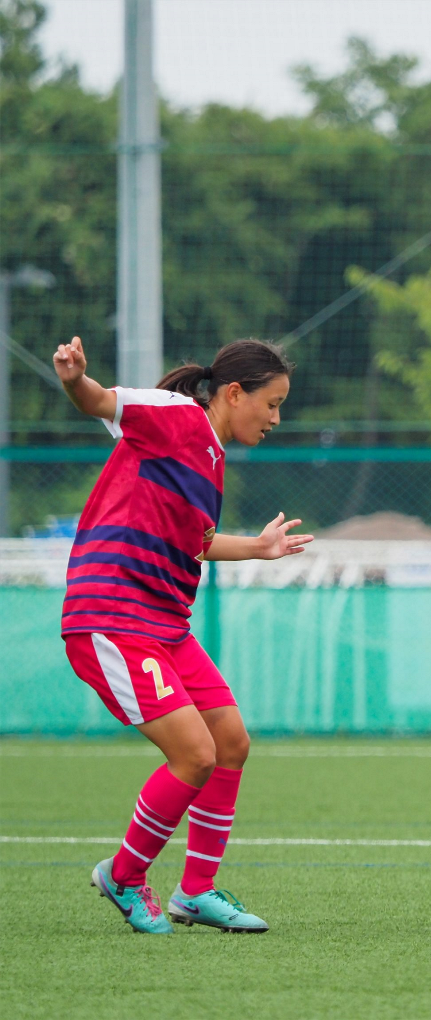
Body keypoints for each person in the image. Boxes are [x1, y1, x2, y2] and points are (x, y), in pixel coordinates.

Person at [53, 336, 312, 934]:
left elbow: (194, 542)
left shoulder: (212, 458)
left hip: (165, 625)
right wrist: (73, 379)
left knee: (231, 743)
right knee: (194, 755)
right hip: (113, 617)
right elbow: (99, 402)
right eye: (271, 404)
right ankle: (123, 874)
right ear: (233, 393)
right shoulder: (176, 418)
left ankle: (195, 892)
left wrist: (258, 548)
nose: (276, 418)